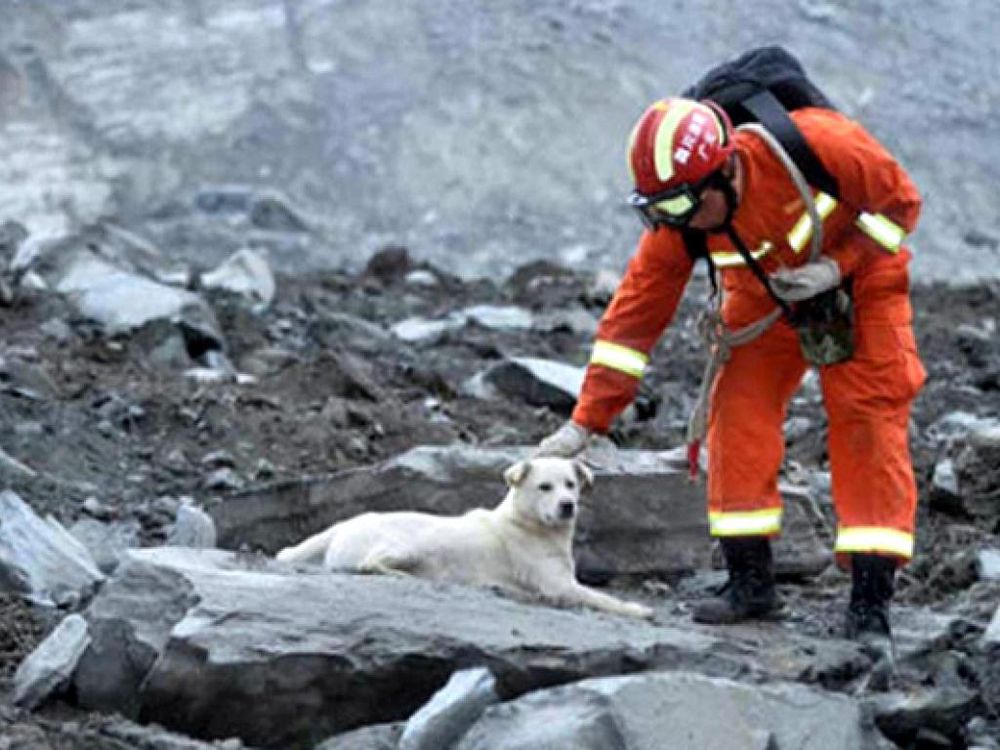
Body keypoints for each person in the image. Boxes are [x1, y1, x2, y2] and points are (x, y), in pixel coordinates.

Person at [534, 97, 925, 648]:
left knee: (867, 421)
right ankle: (750, 582)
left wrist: (839, 265)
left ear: (727, 171)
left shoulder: (821, 145)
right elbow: (633, 320)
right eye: (665, 211)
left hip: (863, 291)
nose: (680, 221)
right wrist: (586, 422)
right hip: (759, 299)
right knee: (736, 416)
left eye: (687, 206)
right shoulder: (682, 214)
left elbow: (901, 207)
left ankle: (870, 602)